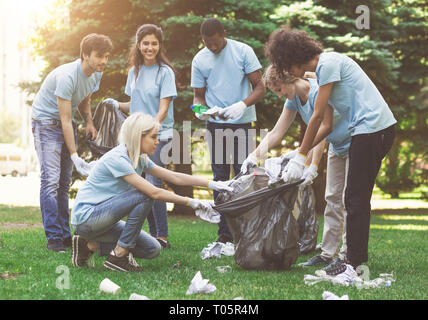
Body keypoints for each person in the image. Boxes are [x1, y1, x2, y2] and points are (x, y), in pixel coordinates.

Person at [265, 27, 396, 275]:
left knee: (355, 199)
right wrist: (299, 154)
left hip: (373, 129)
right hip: (366, 131)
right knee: (352, 198)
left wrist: (302, 156)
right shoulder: (323, 69)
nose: (290, 73)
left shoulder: (328, 64)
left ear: (294, 59)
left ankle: (352, 262)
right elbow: (326, 125)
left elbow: (316, 116)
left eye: (286, 66)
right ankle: (350, 260)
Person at [71, 112, 232, 272]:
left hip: (105, 221)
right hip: (87, 219)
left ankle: (89, 245)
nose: (157, 141)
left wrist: (215, 184)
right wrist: (192, 202)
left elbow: (175, 177)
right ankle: (119, 256)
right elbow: (154, 193)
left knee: (152, 249)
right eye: (153, 137)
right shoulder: (118, 159)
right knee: (145, 195)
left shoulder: (140, 159)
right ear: (138, 137)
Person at [31, 33, 113, 252]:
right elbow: (65, 120)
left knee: (64, 183)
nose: (103, 61)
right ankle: (54, 237)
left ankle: (66, 235)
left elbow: (85, 98)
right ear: (85, 55)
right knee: (50, 181)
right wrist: (75, 155)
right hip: (45, 123)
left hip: (63, 124)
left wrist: (89, 121)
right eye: (99, 56)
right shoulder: (67, 75)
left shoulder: (96, 74)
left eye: (106, 56)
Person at [191, 18, 266, 244]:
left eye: (215, 42)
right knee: (221, 178)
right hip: (216, 125)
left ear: (224, 34)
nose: (212, 47)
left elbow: (261, 87)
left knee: (244, 177)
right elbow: (198, 96)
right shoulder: (200, 59)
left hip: (242, 123)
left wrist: (242, 104)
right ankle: (225, 235)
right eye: (207, 43)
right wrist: (201, 111)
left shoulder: (243, 51)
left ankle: (247, 231)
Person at [105, 24, 176, 249]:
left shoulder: (165, 72)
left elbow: (163, 107)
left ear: (160, 45)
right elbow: (133, 104)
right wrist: (116, 104)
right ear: (138, 45)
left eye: (154, 43)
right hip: (136, 139)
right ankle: (153, 234)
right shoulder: (133, 72)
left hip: (158, 135)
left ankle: (161, 236)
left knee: (154, 181)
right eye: (146, 43)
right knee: (141, 186)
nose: (150, 47)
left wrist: (151, 130)